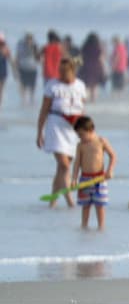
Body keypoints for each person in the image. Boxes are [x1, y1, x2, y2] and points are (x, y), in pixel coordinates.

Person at [36, 56, 87, 208]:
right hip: (55, 127)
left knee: (61, 169)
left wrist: (85, 132)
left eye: (65, 72)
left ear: (73, 71)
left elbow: (82, 110)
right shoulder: (52, 86)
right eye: (60, 72)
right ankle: (70, 202)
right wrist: (39, 132)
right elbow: (44, 110)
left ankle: (52, 201)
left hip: (73, 130)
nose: (62, 75)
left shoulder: (80, 86)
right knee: (64, 166)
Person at [71, 116, 116, 230]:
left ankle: (101, 227)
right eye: (78, 135)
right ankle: (84, 226)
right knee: (85, 205)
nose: (80, 138)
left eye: (81, 135)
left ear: (90, 130)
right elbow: (77, 163)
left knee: (100, 205)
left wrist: (110, 170)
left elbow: (113, 156)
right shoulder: (80, 145)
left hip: (99, 179)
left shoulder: (101, 141)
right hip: (85, 179)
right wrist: (74, 179)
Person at [17, 33, 40, 106]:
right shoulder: (21, 46)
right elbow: (18, 56)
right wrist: (16, 69)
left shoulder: (35, 46)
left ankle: (31, 99)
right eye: (28, 39)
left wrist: (34, 50)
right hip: (23, 68)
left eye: (30, 39)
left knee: (32, 85)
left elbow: (38, 58)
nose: (29, 40)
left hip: (32, 68)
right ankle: (23, 100)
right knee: (23, 85)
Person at [0, 32, 10, 109]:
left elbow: (9, 57)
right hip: (3, 71)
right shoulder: (5, 48)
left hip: (3, 71)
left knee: (1, 90)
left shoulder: (5, 48)